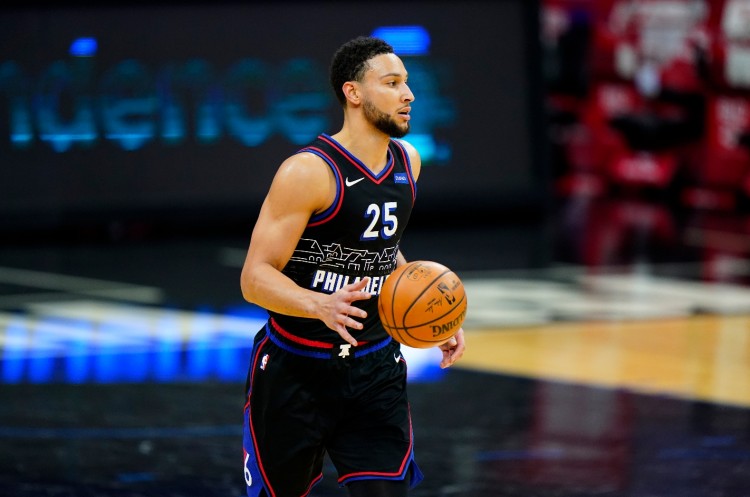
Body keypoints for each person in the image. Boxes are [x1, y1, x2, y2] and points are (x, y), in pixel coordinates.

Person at [239, 35, 466, 497]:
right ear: (354, 93)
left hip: (375, 367)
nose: (409, 94)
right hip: (297, 369)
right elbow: (254, 278)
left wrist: (432, 312)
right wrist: (319, 305)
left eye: (407, 83)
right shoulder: (308, 172)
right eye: (392, 83)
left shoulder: (408, 162)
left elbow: (384, 251)